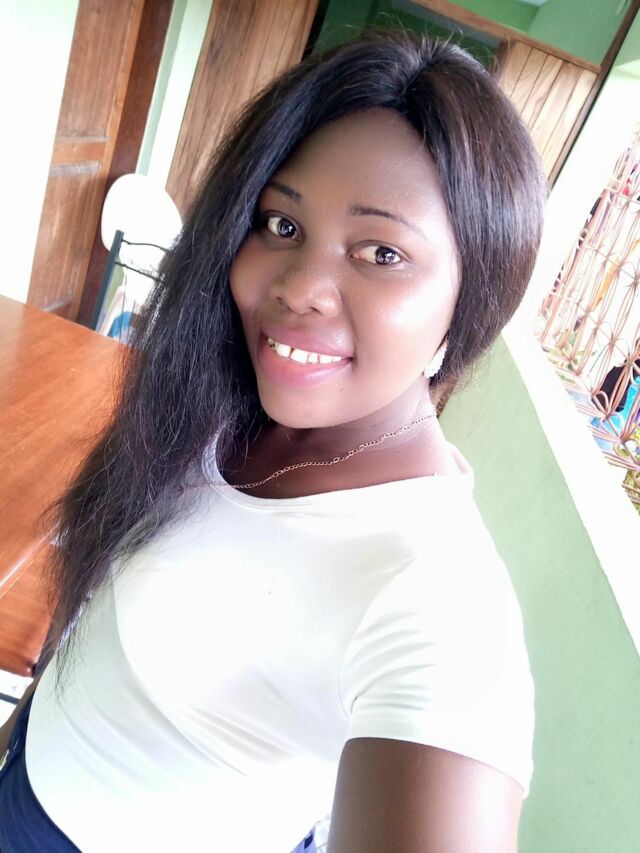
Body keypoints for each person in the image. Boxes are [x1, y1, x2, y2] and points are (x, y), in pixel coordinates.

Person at [0, 31, 546, 853]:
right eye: (282, 224)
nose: (298, 289)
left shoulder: (435, 596)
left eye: (382, 252)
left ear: (471, 300)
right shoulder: (225, 404)